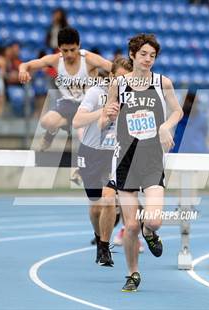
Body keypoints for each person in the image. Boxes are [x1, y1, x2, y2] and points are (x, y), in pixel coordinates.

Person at [102, 33, 183, 292]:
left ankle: (151, 233)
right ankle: (133, 273)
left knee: (154, 220)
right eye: (144, 54)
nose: (148, 59)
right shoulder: (119, 84)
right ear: (133, 55)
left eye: (153, 56)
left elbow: (178, 111)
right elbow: (105, 119)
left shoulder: (162, 83)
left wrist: (166, 127)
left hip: (150, 158)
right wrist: (108, 114)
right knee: (131, 225)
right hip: (125, 159)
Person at [72, 57, 132, 267]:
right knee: (96, 206)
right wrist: (103, 112)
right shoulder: (96, 93)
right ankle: (99, 239)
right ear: (111, 76)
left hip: (113, 154)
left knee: (109, 199)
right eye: (119, 78)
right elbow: (77, 121)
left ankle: (105, 247)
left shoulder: (132, 97)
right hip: (90, 152)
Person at [18, 27, 112, 151]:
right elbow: (26, 64)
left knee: (84, 137)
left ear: (79, 45)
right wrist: (22, 71)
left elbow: (114, 68)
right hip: (68, 103)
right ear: (59, 48)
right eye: (65, 50)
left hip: (89, 104)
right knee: (46, 122)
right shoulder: (56, 60)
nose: (69, 54)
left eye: (73, 50)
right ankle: (54, 132)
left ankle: (77, 129)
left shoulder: (89, 59)